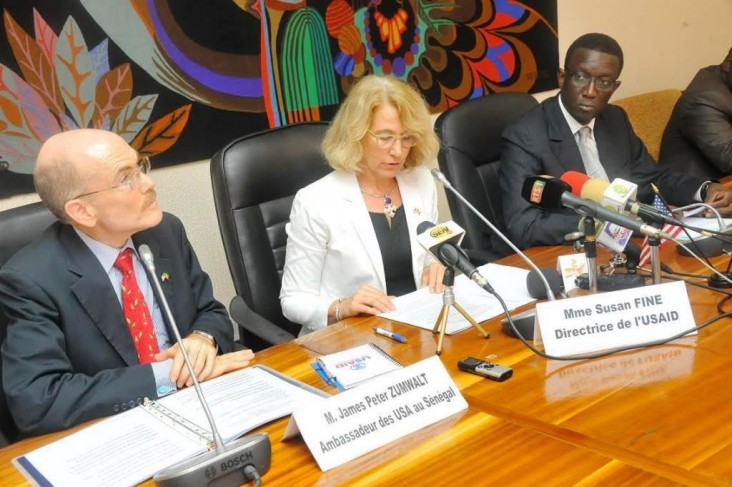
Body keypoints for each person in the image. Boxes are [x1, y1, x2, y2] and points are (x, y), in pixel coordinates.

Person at [0, 129, 254, 437]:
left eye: (140, 167)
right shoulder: (31, 279)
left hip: (203, 408)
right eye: (125, 178)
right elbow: (39, 399)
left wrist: (202, 339)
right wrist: (170, 375)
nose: (148, 183)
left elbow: (210, 311)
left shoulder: (165, 232)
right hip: (117, 432)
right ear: (81, 211)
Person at [499, 33, 732, 249]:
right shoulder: (524, 137)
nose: (590, 91)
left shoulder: (614, 118)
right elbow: (524, 225)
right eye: (581, 77)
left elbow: (652, 177)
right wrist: (612, 224)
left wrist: (704, 190)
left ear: (615, 86)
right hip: (571, 250)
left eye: (604, 82)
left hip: (630, 245)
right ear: (562, 77)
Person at [280, 75, 443, 335]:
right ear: (355, 135)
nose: (398, 151)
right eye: (385, 137)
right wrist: (340, 307)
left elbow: (430, 252)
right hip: (351, 339)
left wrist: (436, 265)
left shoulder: (421, 181)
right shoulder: (315, 201)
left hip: (419, 327)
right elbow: (292, 300)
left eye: (407, 138)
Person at [659, 47, 732, 179]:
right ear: (728, 63)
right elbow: (729, 159)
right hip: (696, 191)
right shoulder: (706, 98)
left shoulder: (721, 80)